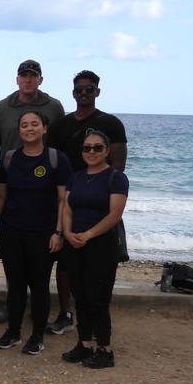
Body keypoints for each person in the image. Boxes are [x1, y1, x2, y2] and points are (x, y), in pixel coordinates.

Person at [44, 70, 127, 335]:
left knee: (98, 269)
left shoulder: (111, 124)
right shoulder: (61, 126)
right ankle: (66, 313)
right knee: (65, 263)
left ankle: (95, 323)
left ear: (97, 92)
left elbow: (119, 165)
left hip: (99, 205)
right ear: (73, 93)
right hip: (68, 199)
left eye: (89, 89)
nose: (83, 93)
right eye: (79, 89)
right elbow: (51, 163)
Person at [0, 59, 65, 325]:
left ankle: (48, 312)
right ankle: (13, 306)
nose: (28, 80)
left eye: (33, 76)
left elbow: (61, 145)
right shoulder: (1, 108)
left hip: (45, 187)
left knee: (43, 263)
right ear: (17, 79)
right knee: (14, 259)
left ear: (40, 79)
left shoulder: (54, 107)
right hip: (11, 182)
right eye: (23, 76)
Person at [0, 111, 71, 356]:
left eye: (35, 124)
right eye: (24, 125)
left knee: (39, 286)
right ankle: (13, 333)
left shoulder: (57, 159)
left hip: (43, 234)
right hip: (11, 232)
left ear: (44, 129)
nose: (29, 128)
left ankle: (36, 336)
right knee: (15, 285)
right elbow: (1, 196)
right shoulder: (9, 159)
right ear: (19, 131)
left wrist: (59, 232)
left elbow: (63, 200)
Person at [59, 130, 129, 369]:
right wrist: (67, 233)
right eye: (87, 148)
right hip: (75, 243)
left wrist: (88, 235)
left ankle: (105, 349)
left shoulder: (115, 178)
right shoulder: (76, 177)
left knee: (98, 298)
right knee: (81, 297)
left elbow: (114, 215)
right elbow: (67, 208)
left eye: (97, 148)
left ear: (107, 151)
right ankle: (84, 344)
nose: (91, 152)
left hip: (101, 245)